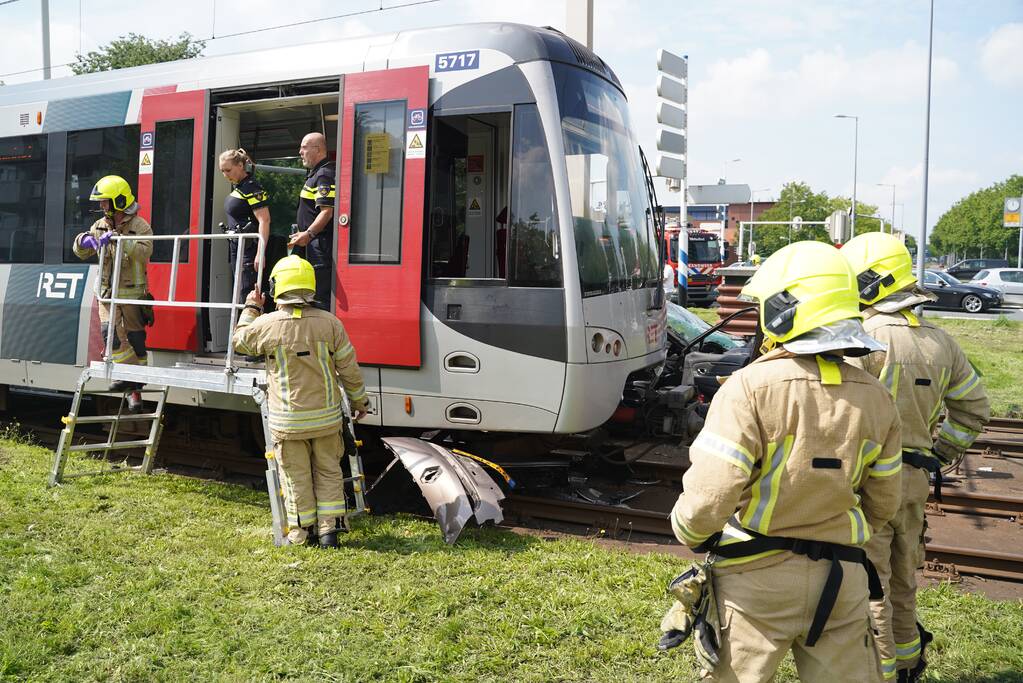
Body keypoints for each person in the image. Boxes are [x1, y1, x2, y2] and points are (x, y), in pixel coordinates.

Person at [670, 240, 902, 682]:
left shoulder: (749, 387)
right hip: (844, 581)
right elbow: (884, 502)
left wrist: (691, 533)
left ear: (783, 308)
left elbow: (711, 496)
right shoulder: (878, 398)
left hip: (756, 583)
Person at [842, 232, 990, 682]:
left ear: (868, 283)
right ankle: (907, 663)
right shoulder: (941, 343)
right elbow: (974, 409)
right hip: (915, 481)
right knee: (905, 578)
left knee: (872, 583)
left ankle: (880, 671)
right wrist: (941, 451)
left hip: (869, 485)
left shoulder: (862, 339)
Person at [232, 255, 369, 548]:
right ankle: (329, 532)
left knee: (295, 477)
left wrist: (252, 307)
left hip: (288, 421)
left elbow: (240, 341)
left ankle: (300, 533)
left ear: (277, 286)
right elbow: (349, 369)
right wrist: (359, 402)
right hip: (326, 419)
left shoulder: (267, 324)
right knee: (329, 472)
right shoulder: (330, 324)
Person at [73, 175, 153, 413]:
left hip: (133, 294)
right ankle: (131, 384)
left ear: (118, 201)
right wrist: (84, 241)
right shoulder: (99, 225)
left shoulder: (140, 226)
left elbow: (145, 251)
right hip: (107, 293)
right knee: (112, 337)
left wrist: (119, 240)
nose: (102, 207)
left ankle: (135, 386)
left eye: (105, 202)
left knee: (136, 340)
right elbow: (80, 252)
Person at [287, 132, 335, 311]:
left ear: (318, 149)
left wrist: (308, 234)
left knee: (320, 298)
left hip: (319, 244)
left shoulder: (324, 174)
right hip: (313, 243)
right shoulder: (317, 174)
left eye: (304, 147)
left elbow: (327, 212)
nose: (300, 152)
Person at [218, 148, 271, 303]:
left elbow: (265, 220)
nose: (225, 175)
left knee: (246, 295)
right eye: (222, 171)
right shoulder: (240, 187)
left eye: (228, 170)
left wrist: (260, 253)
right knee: (239, 295)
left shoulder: (252, 187)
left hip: (249, 250)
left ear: (240, 165)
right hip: (237, 247)